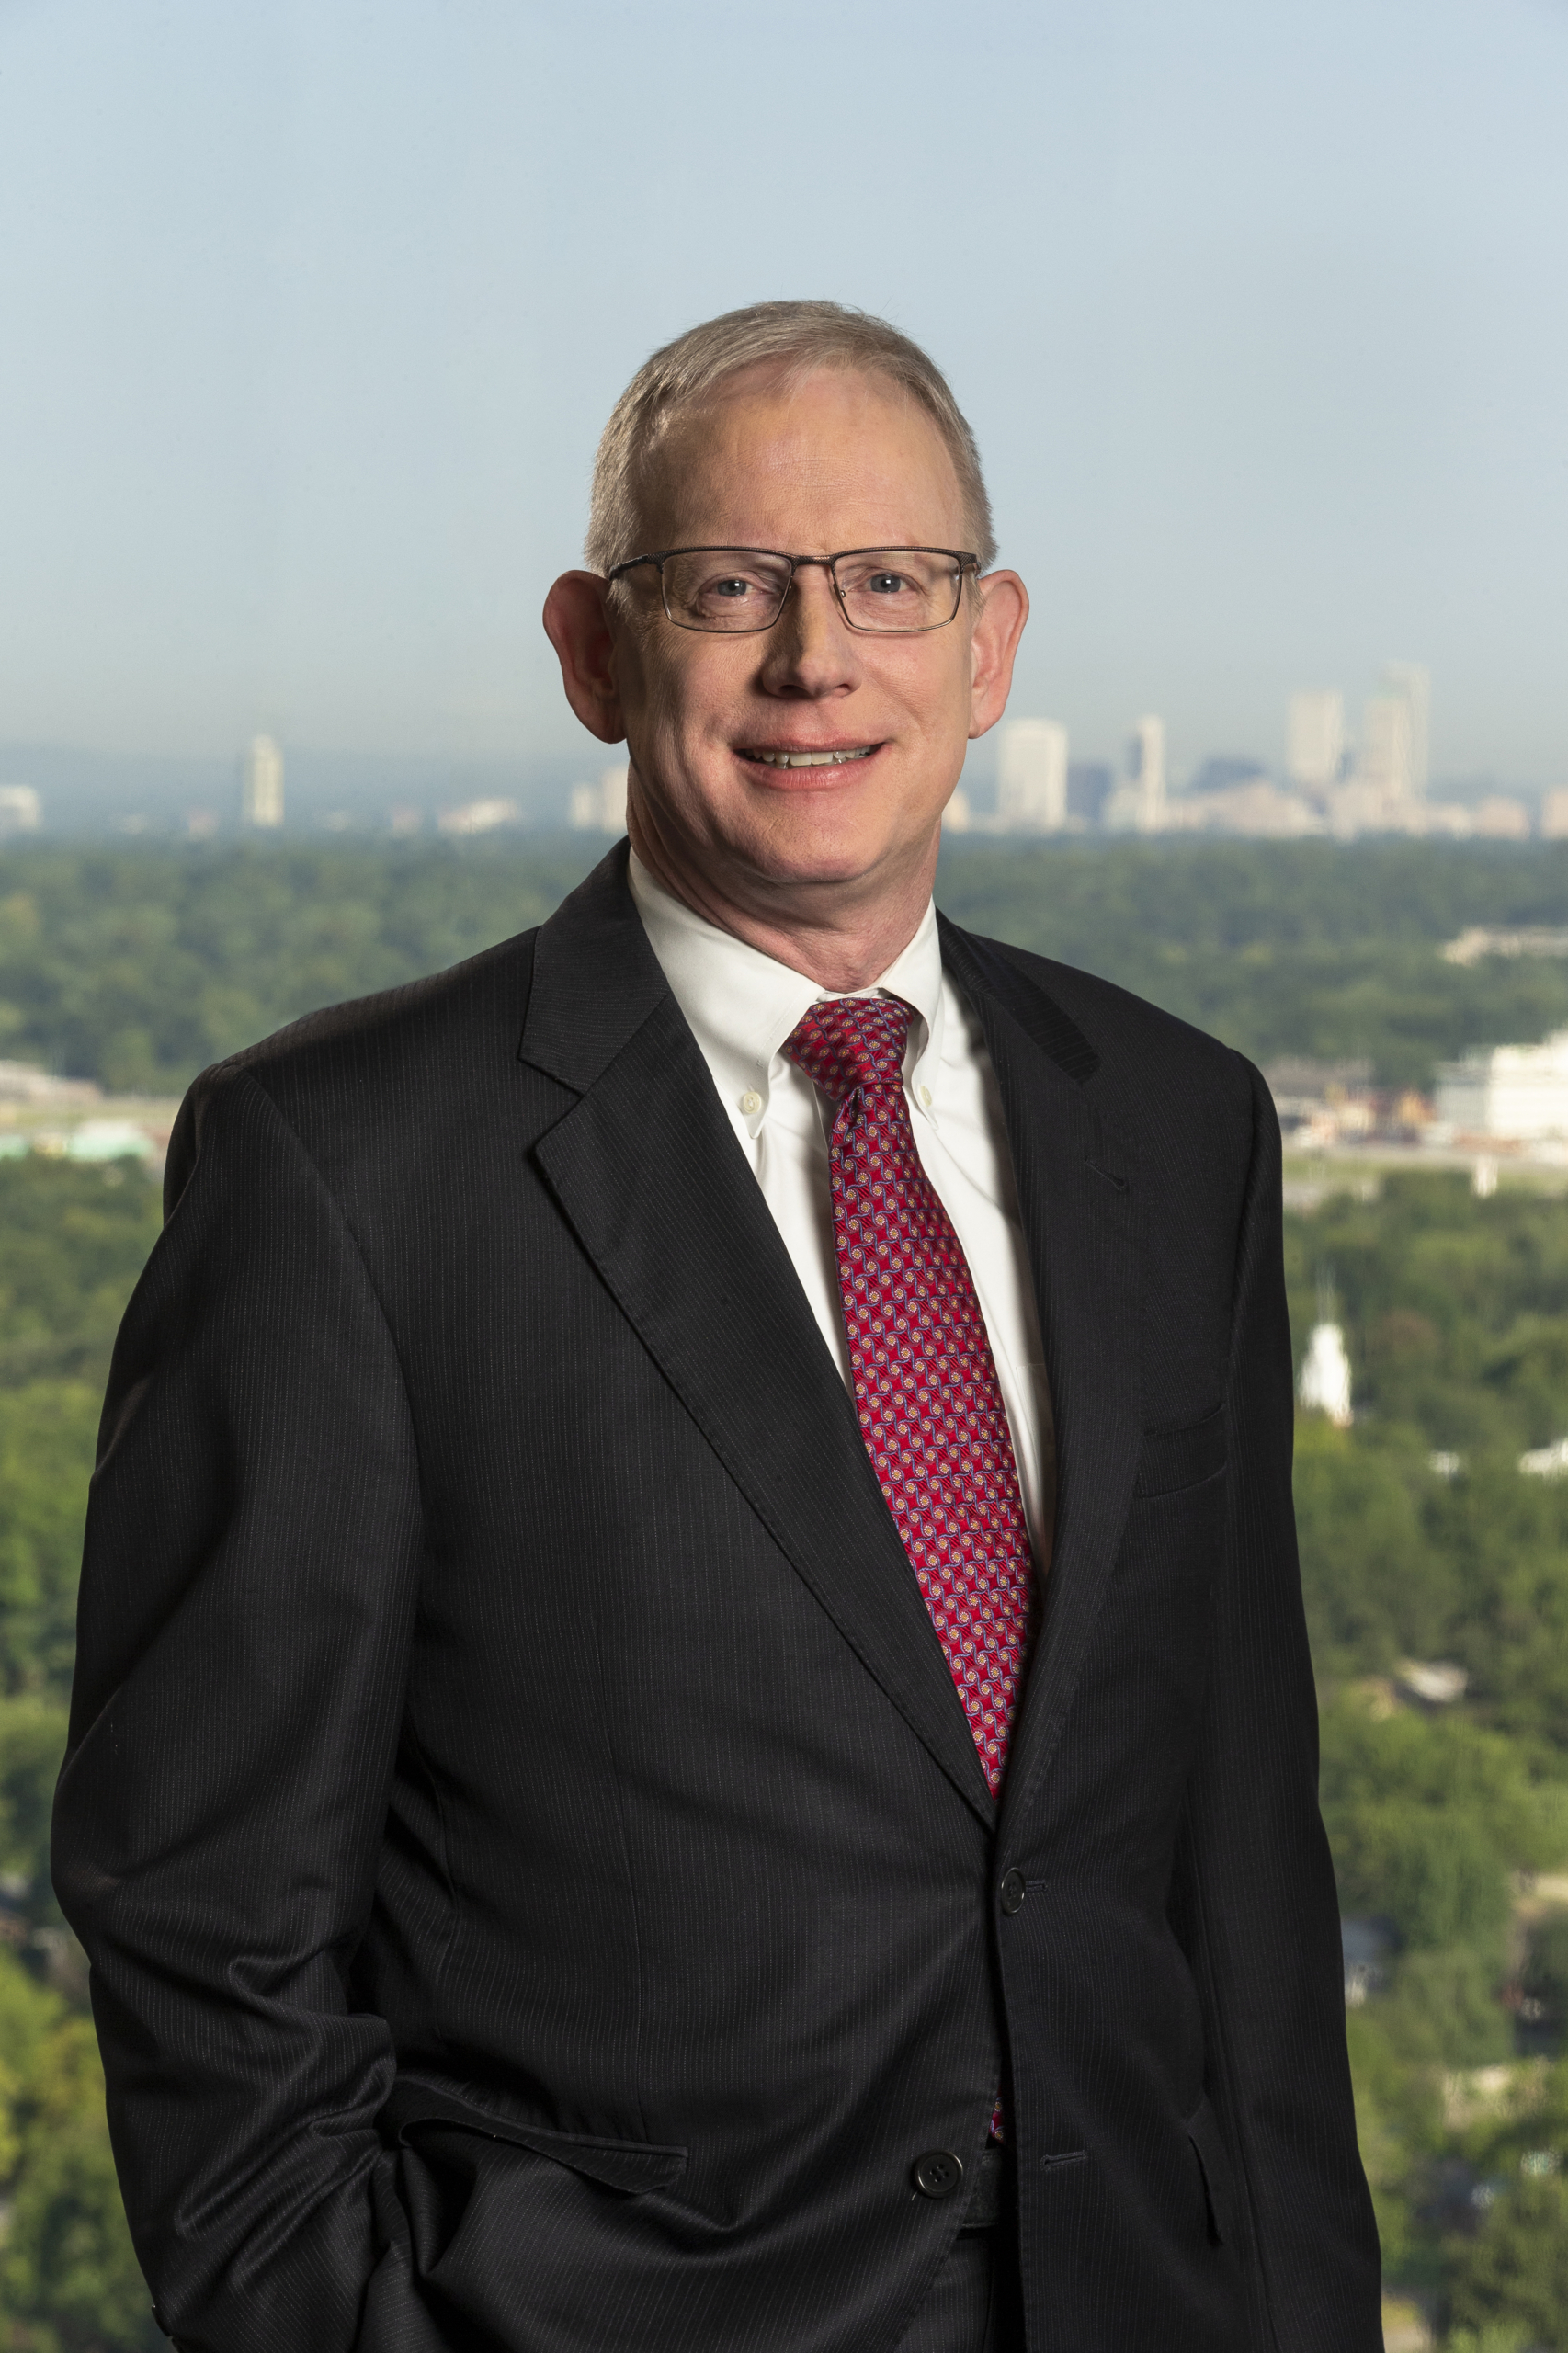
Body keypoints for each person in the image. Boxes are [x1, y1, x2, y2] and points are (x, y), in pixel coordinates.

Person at [54, 300, 1381, 2353]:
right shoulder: (341, 1172)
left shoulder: (1177, 1122)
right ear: (594, 650)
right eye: (729, 585)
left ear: (989, 644)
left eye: (888, 581)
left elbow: (1241, 1864)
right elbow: (203, 1923)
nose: (814, 655)